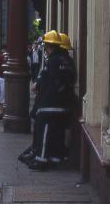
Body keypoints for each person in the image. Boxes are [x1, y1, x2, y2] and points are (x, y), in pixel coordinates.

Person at [18, 30, 76, 171]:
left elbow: (43, 82)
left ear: (50, 46)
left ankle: (41, 159)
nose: (45, 49)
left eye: (46, 47)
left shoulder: (53, 61)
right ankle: (56, 157)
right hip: (65, 104)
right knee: (57, 133)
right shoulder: (69, 61)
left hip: (49, 104)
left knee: (43, 130)